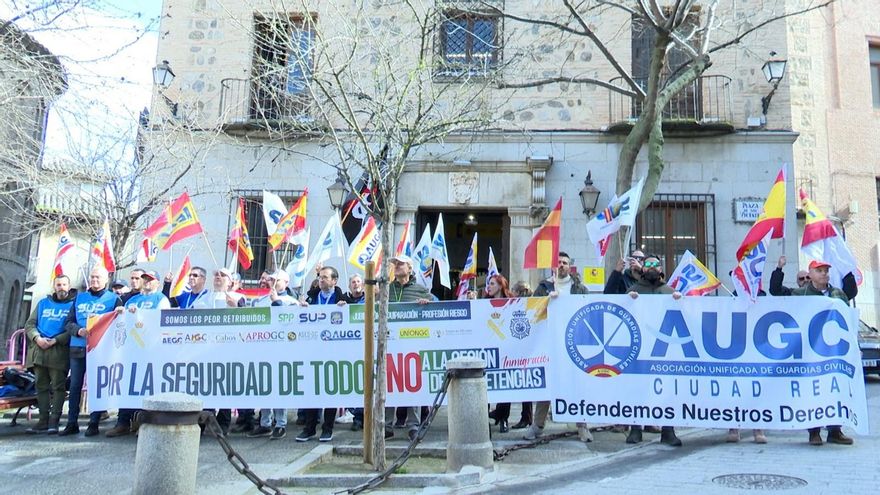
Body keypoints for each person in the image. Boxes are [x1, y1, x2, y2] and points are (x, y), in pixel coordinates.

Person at [525, 251, 593, 443]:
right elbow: (533, 311)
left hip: (574, 344)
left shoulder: (580, 289)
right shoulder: (544, 287)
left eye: (564, 262)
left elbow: (587, 311)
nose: (561, 265)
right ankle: (537, 426)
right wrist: (547, 300)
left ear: (569, 266)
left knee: (576, 385)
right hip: (549, 342)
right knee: (548, 386)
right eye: (558, 262)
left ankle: (582, 425)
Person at [791, 260, 854, 446]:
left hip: (834, 351)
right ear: (810, 274)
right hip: (811, 351)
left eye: (826, 270)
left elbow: (846, 317)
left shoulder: (838, 294)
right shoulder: (800, 294)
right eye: (820, 271)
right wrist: (779, 269)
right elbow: (779, 295)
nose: (824, 274)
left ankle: (835, 430)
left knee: (835, 388)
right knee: (814, 390)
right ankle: (814, 432)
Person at [625, 254, 684, 447]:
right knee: (636, 388)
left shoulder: (669, 291)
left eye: (655, 264)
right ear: (643, 268)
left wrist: (679, 301)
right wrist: (628, 300)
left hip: (664, 350)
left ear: (660, 268)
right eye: (648, 263)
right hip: (640, 348)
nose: (651, 267)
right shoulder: (633, 290)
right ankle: (635, 429)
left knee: (667, 391)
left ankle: (668, 430)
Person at [105, 271, 171, 438]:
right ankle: (123, 422)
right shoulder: (132, 300)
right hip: (131, 349)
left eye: (151, 279)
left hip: (151, 349)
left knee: (148, 386)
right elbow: (123, 323)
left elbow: (161, 321)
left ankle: (145, 422)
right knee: (127, 385)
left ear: (157, 282)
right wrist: (121, 313)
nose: (147, 282)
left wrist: (139, 314)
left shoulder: (161, 299)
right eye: (145, 279)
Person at [60, 267, 123, 437]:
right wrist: (78, 330)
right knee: (74, 386)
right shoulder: (79, 298)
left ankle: (94, 423)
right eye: (92, 277)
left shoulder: (114, 299)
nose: (95, 280)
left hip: (100, 349)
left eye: (98, 277)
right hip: (78, 346)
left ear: (106, 280)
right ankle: (71, 423)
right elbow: (68, 322)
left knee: (97, 386)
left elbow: (119, 323)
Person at [296, 266, 348, 442]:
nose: (321, 280)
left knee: (331, 390)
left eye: (325, 277)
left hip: (333, 351)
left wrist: (345, 308)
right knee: (312, 390)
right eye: (320, 277)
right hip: (313, 350)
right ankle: (309, 428)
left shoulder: (342, 298)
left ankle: (328, 428)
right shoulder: (311, 297)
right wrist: (300, 308)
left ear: (334, 280)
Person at [384, 254, 431, 441]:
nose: (396, 267)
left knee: (412, 384)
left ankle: (413, 425)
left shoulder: (421, 290)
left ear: (410, 268)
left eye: (400, 264)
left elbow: (437, 308)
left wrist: (428, 304)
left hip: (412, 344)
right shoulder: (387, 289)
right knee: (388, 385)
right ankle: (386, 425)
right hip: (389, 344)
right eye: (394, 264)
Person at [248, 270, 299, 440]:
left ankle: (280, 423)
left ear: (286, 282)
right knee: (264, 386)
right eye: (270, 279)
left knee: (278, 386)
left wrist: (276, 302)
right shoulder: (260, 300)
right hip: (263, 348)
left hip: (282, 350)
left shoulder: (292, 302)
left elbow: (287, 322)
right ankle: (265, 422)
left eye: (276, 279)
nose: (272, 281)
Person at [24, 275, 76, 434]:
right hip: (39, 351)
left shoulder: (73, 305)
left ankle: (54, 420)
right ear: (54, 287)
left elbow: (74, 327)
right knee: (41, 386)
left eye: (64, 284)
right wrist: (36, 338)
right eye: (58, 285)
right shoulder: (42, 303)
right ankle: (43, 420)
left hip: (59, 352)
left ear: (69, 286)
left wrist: (56, 340)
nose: (61, 287)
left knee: (58, 387)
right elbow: (30, 324)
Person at [479, 275, 515, 433]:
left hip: (506, 349)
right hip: (487, 349)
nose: (489, 286)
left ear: (500, 286)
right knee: (484, 386)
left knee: (504, 385)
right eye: (489, 284)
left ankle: (503, 418)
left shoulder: (512, 303)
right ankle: (483, 419)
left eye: (492, 284)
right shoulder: (483, 303)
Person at [510, 281, 534, 430]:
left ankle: (527, 417)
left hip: (527, 350)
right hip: (519, 350)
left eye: (514, 291)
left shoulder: (529, 305)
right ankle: (526, 416)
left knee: (526, 384)